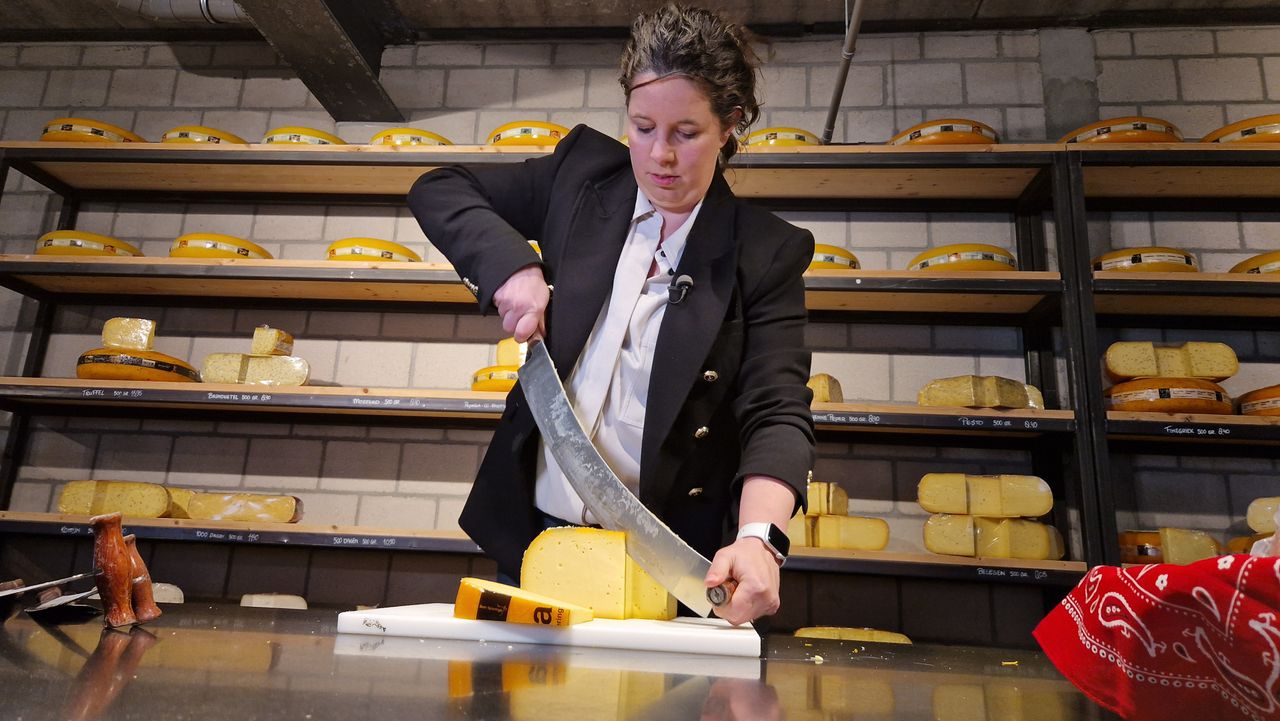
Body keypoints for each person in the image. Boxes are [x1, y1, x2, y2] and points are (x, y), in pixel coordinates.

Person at [409, 3, 815, 625]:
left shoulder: (765, 252)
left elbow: (776, 409)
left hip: (664, 561)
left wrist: (760, 537)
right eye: (643, 127)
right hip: (535, 545)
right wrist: (512, 267)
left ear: (730, 124)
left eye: (686, 132)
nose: (659, 155)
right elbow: (440, 187)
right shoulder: (580, 178)